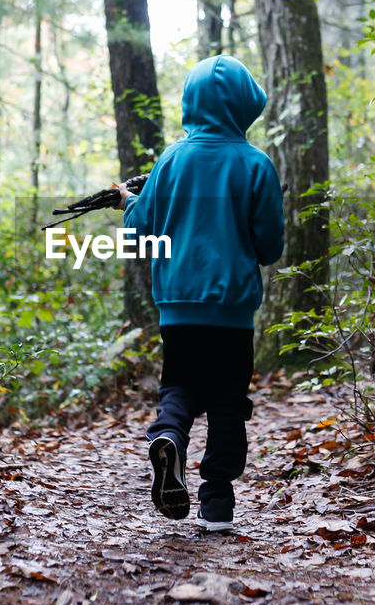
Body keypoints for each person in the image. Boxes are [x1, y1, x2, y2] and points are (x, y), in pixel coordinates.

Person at [119, 54, 284, 532]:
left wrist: (129, 201)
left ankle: (169, 434)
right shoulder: (256, 165)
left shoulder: (171, 160)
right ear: (245, 106)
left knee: (179, 386)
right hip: (231, 312)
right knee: (228, 402)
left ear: (191, 103)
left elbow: (140, 232)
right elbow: (270, 246)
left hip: (178, 309)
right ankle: (216, 506)